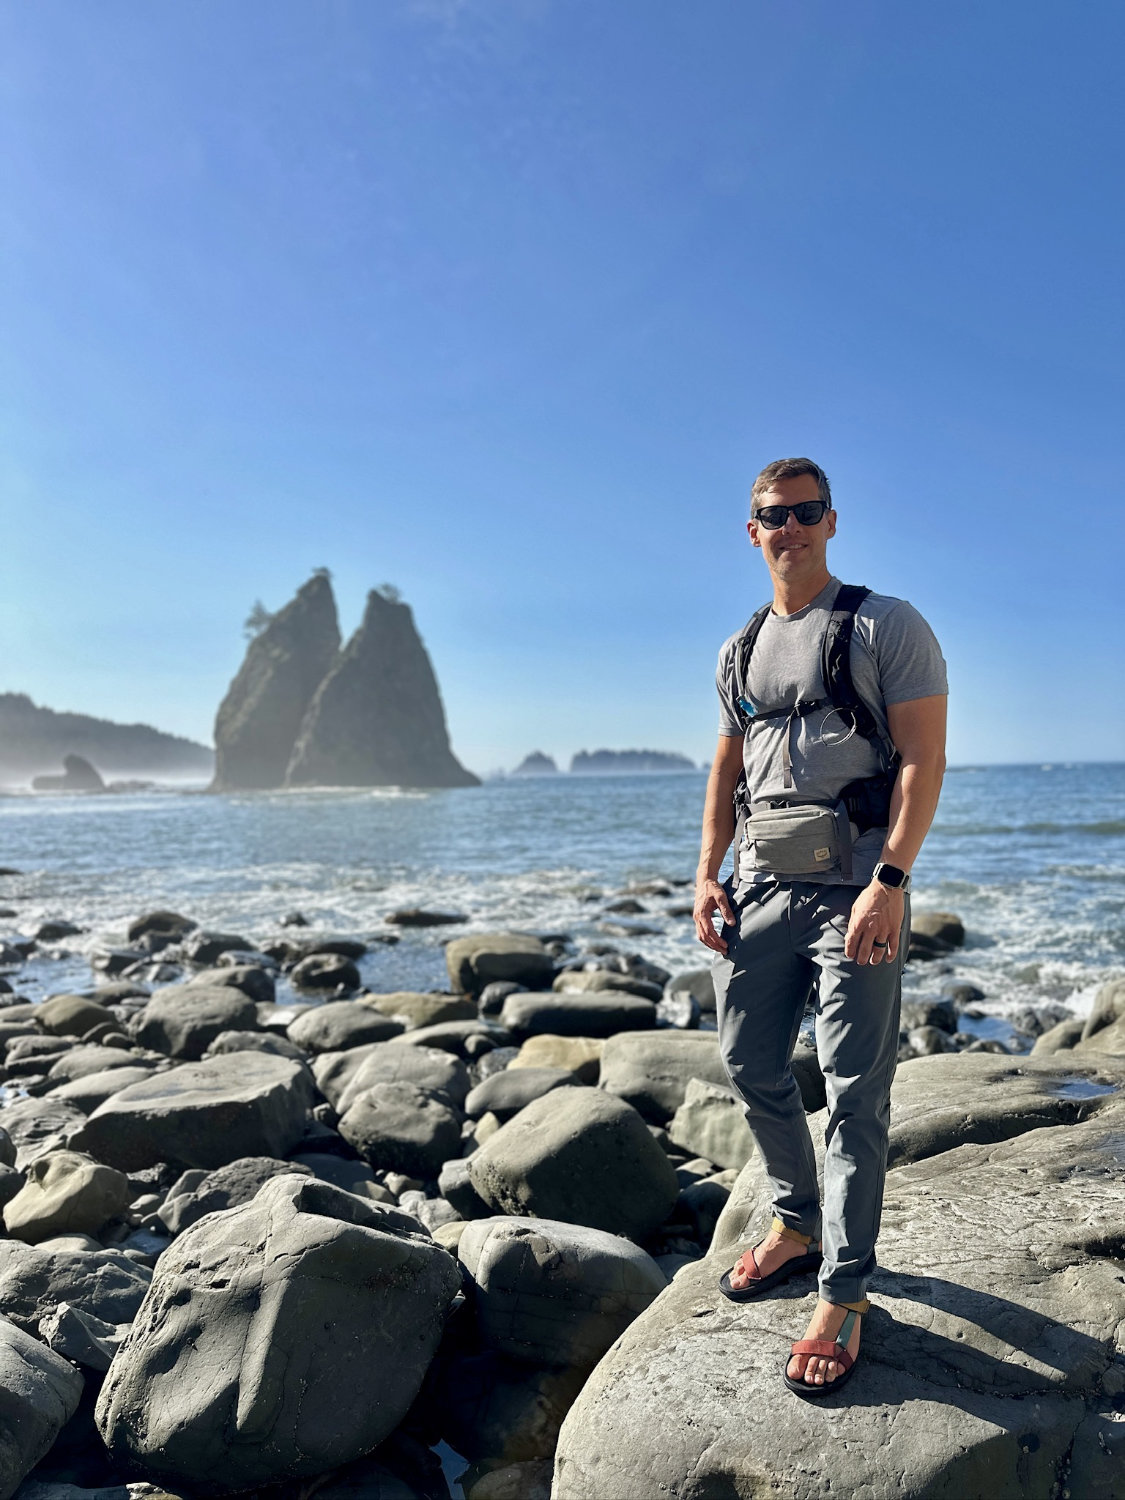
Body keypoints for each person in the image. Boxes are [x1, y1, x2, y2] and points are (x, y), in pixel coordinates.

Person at [693, 456, 947, 1398]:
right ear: (751, 531)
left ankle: (845, 1293)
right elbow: (728, 772)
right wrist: (706, 874)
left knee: (851, 1094)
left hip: (855, 893)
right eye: (772, 516)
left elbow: (923, 760)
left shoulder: (885, 626)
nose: (789, 528)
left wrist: (889, 881)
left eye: (805, 513)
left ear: (831, 523)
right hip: (757, 889)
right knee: (751, 1068)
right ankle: (796, 1224)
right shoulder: (737, 649)